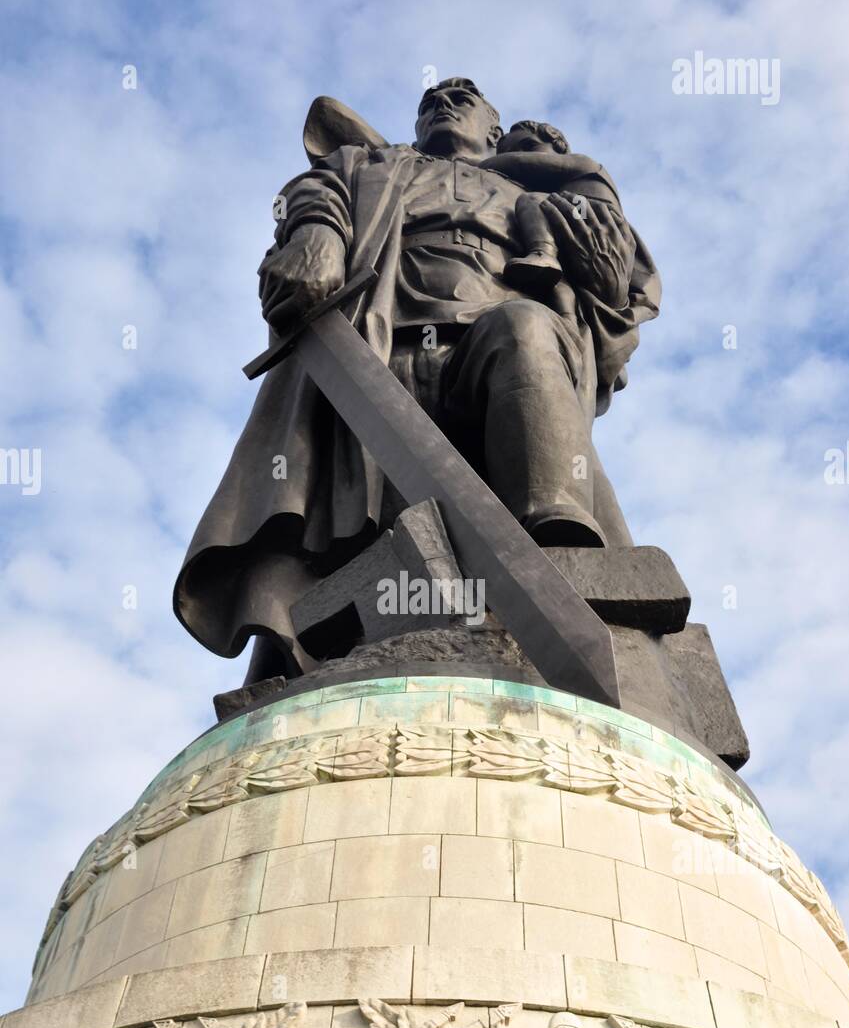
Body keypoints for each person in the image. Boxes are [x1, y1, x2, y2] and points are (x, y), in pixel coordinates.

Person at [174, 79, 660, 684]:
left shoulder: (536, 197)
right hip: (374, 360)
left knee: (526, 328)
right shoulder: (371, 165)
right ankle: (315, 649)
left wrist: (608, 284)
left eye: (465, 96)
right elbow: (316, 193)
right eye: (431, 98)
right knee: (386, 566)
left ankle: (556, 544)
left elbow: (611, 326)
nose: (445, 98)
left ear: (494, 127)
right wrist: (317, 236)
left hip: (492, 365)